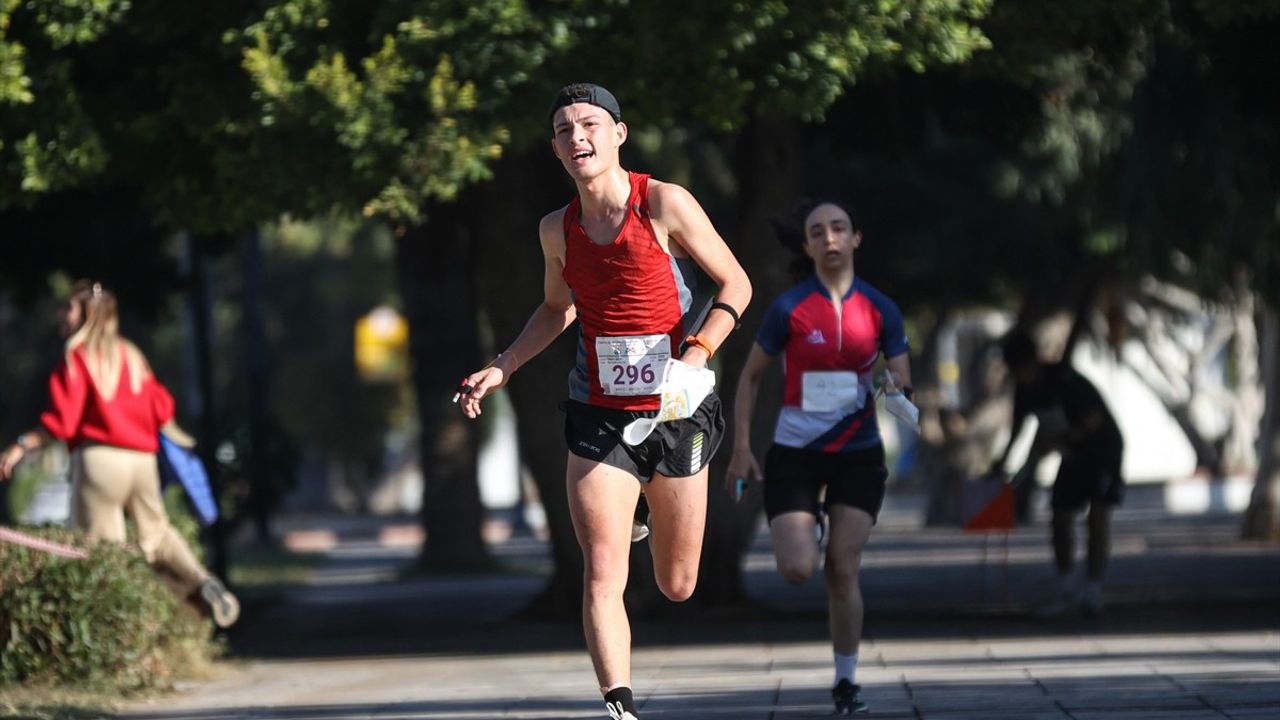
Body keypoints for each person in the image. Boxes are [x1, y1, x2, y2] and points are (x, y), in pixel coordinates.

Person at [456, 82, 750, 720]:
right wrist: (503, 365)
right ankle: (619, 707)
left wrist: (695, 354)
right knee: (601, 569)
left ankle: (647, 506)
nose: (575, 136)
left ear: (619, 133)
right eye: (562, 130)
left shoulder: (665, 203)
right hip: (598, 410)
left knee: (677, 584)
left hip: (675, 409)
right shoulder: (555, 230)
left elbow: (737, 283)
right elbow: (557, 309)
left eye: (588, 123)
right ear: (556, 150)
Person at [726, 199, 911, 716]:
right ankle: (812, 532)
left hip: (857, 454)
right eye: (817, 231)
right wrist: (741, 448)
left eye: (839, 228)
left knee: (842, 569)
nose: (829, 238)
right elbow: (751, 378)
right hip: (796, 453)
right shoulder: (790, 308)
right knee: (797, 568)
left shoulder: (881, 309)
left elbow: (902, 383)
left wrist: (892, 385)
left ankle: (846, 681)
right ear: (806, 246)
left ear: (855, 239)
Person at [0, 280, 240, 628]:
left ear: (87, 315)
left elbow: (63, 422)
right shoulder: (132, 355)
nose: (61, 314)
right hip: (142, 460)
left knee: (102, 551)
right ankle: (202, 581)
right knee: (157, 535)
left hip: (100, 461)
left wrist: (20, 446)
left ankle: (115, 631)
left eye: (68, 308)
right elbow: (162, 408)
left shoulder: (77, 356)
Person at [989, 331, 1124, 618]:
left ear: (1033, 362)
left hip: (1103, 452)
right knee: (1060, 516)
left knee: (1097, 518)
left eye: (1021, 369)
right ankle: (1066, 588)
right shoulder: (1024, 391)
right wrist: (1002, 463)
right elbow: (1018, 429)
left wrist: (1056, 440)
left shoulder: (1065, 381)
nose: (1019, 376)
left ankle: (1092, 591)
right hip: (1071, 455)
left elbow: (1093, 421)